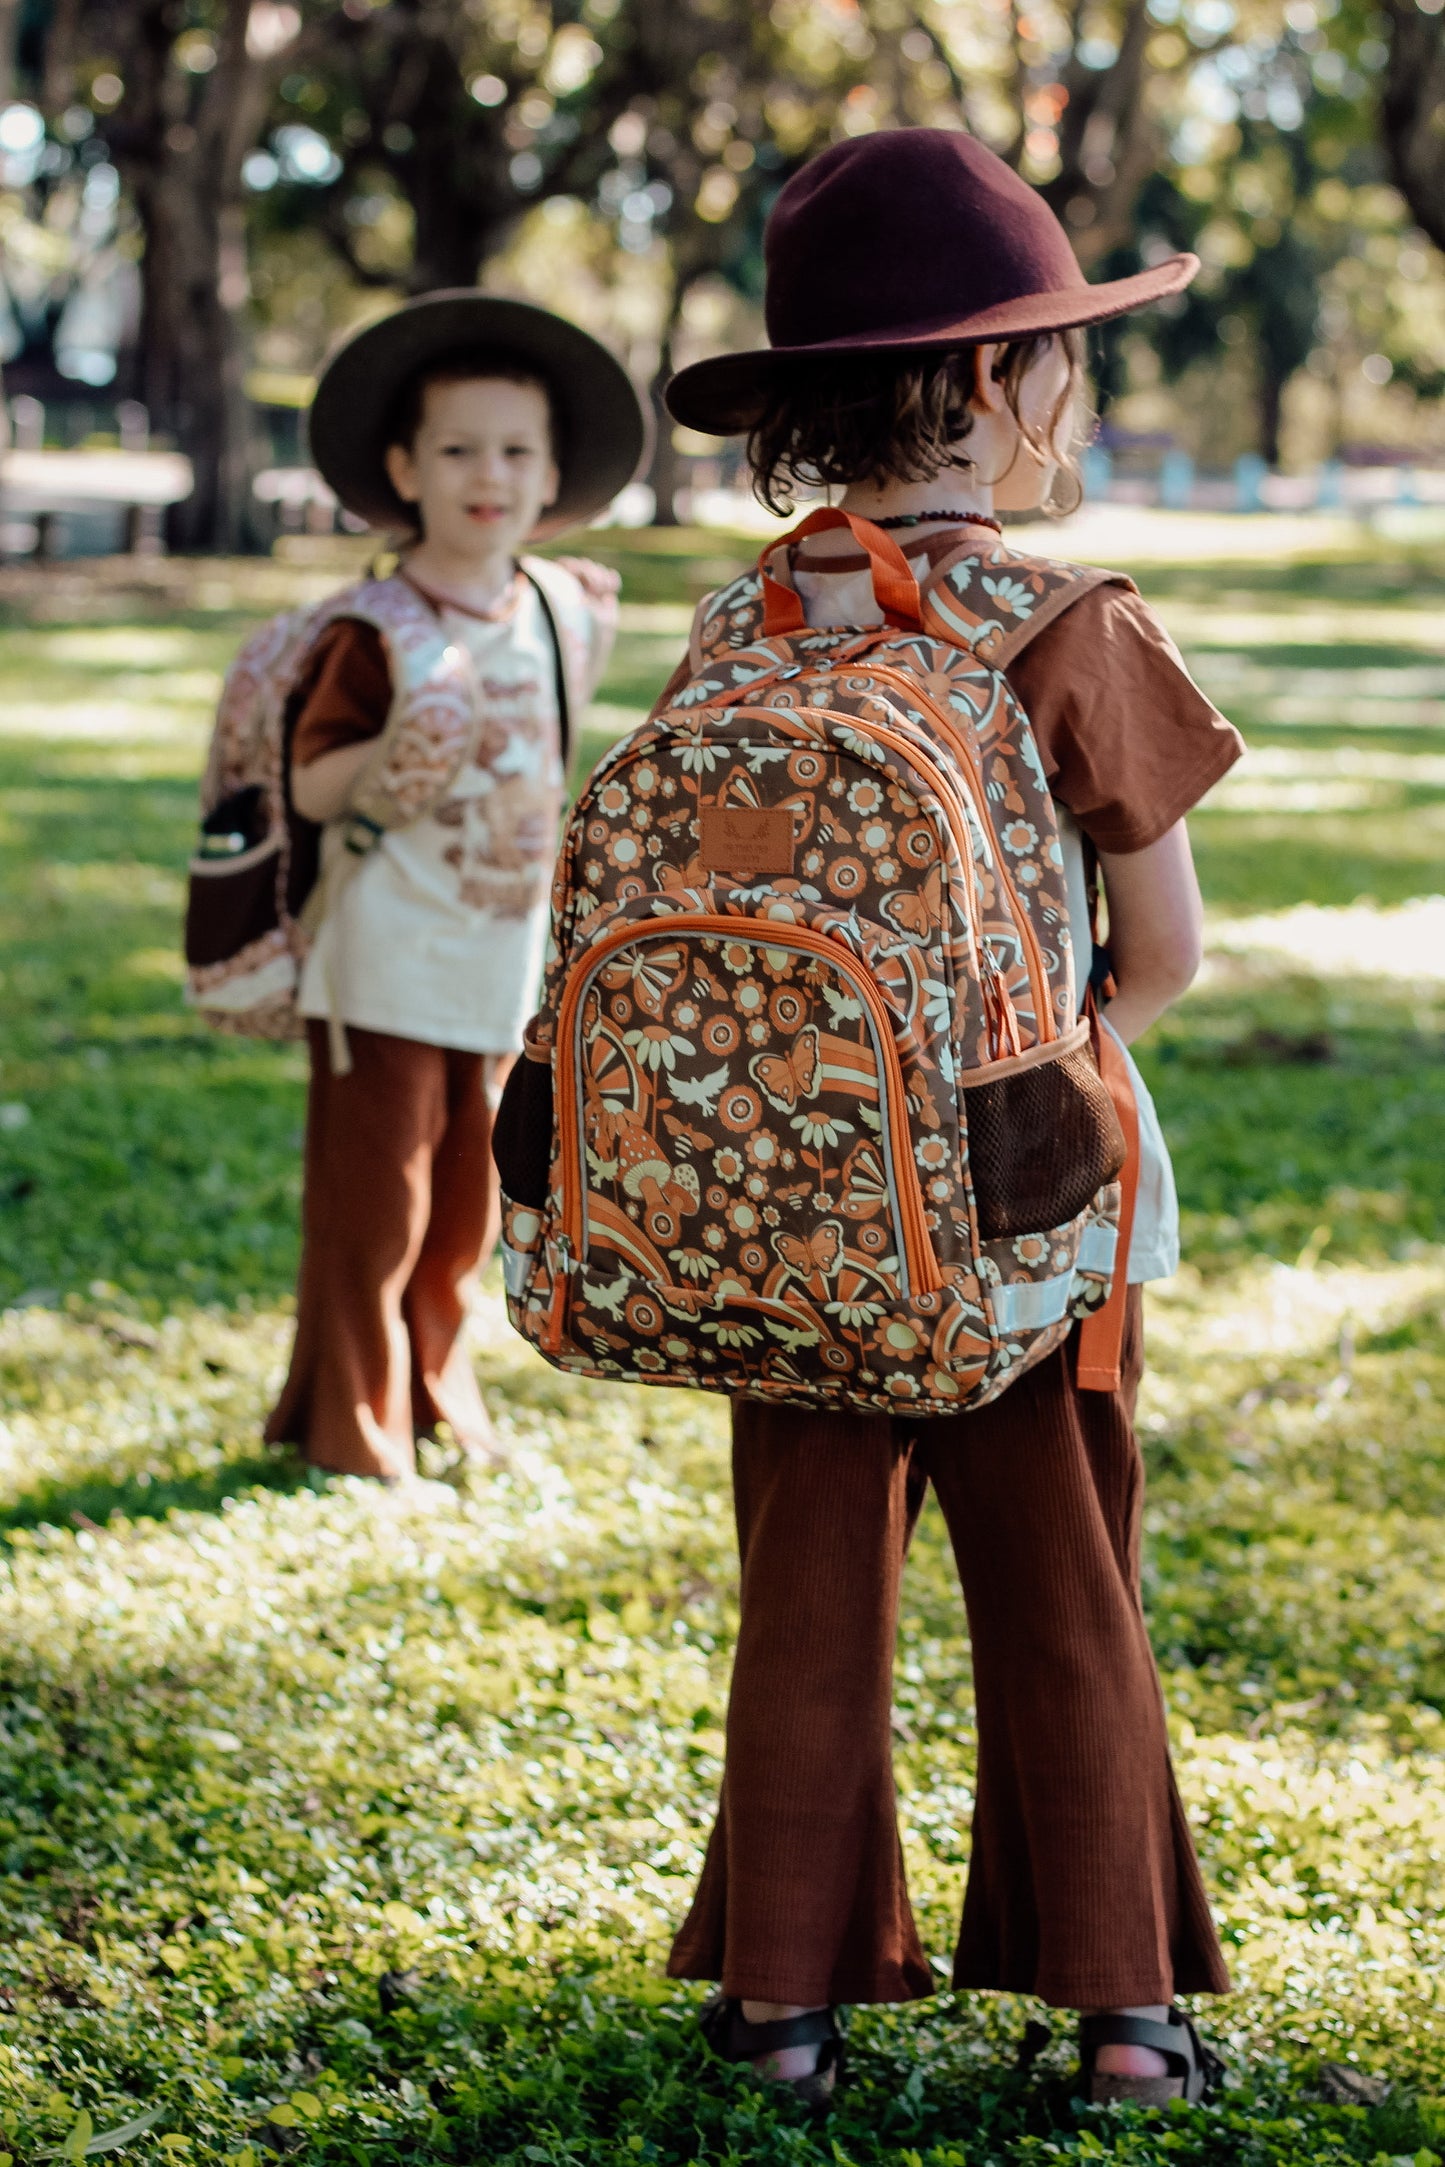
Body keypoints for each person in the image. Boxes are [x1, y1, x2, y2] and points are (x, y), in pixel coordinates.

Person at [654, 129, 1244, 2106]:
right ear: (997, 382)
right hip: (1021, 1215)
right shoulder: (1065, 620)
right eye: (1062, 350)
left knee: (803, 1605)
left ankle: (778, 2009)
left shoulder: (736, 630)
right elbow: (1155, 954)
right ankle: (1117, 2016)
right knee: (1063, 1593)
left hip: (767, 1206)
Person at [264, 294, 645, 1483]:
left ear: (551, 474)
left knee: (466, 1206)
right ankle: (351, 1423)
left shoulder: (552, 606)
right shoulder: (376, 627)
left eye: (516, 451)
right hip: (380, 957)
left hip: (497, 959)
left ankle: (439, 1390)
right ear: (402, 468)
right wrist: (406, 750)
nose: (490, 475)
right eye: (458, 450)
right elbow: (312, 781)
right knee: (371, 1205)